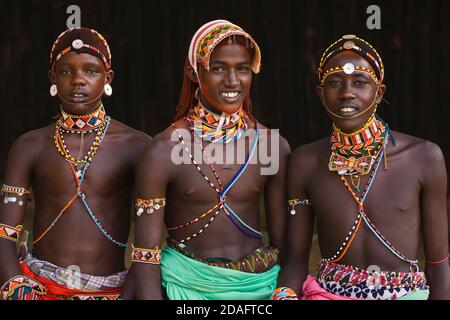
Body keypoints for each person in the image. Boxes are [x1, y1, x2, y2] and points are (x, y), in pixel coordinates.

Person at [125, 19, 290, 300]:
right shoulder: (162, 150)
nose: (232, 81)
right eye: (218, 68)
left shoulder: (272, 146)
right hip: (184, 287)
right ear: (193, 71)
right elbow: (145, 256)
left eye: (242, 69)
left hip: (257, 289)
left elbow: (285, 246)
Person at [276, 35, 449, 300]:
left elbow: (438, 265)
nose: (347, 93)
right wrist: (284, 294)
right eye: (335, 83)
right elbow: (297, 260)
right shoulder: (306, 161)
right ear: (321, 94)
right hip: (327, 293)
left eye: (360, 83)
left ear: (379, 93)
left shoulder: (424, 158)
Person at [0, 27, 151, 300]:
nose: (78, 80)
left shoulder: (137, 146)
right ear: (52, 78)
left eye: (91, 71)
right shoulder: (29, 146)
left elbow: (148, 244)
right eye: (66, 71)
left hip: (112, 291)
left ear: (108, 78)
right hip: (39, 286)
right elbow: (5, 233)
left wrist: (128, 296)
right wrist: (15, 284)